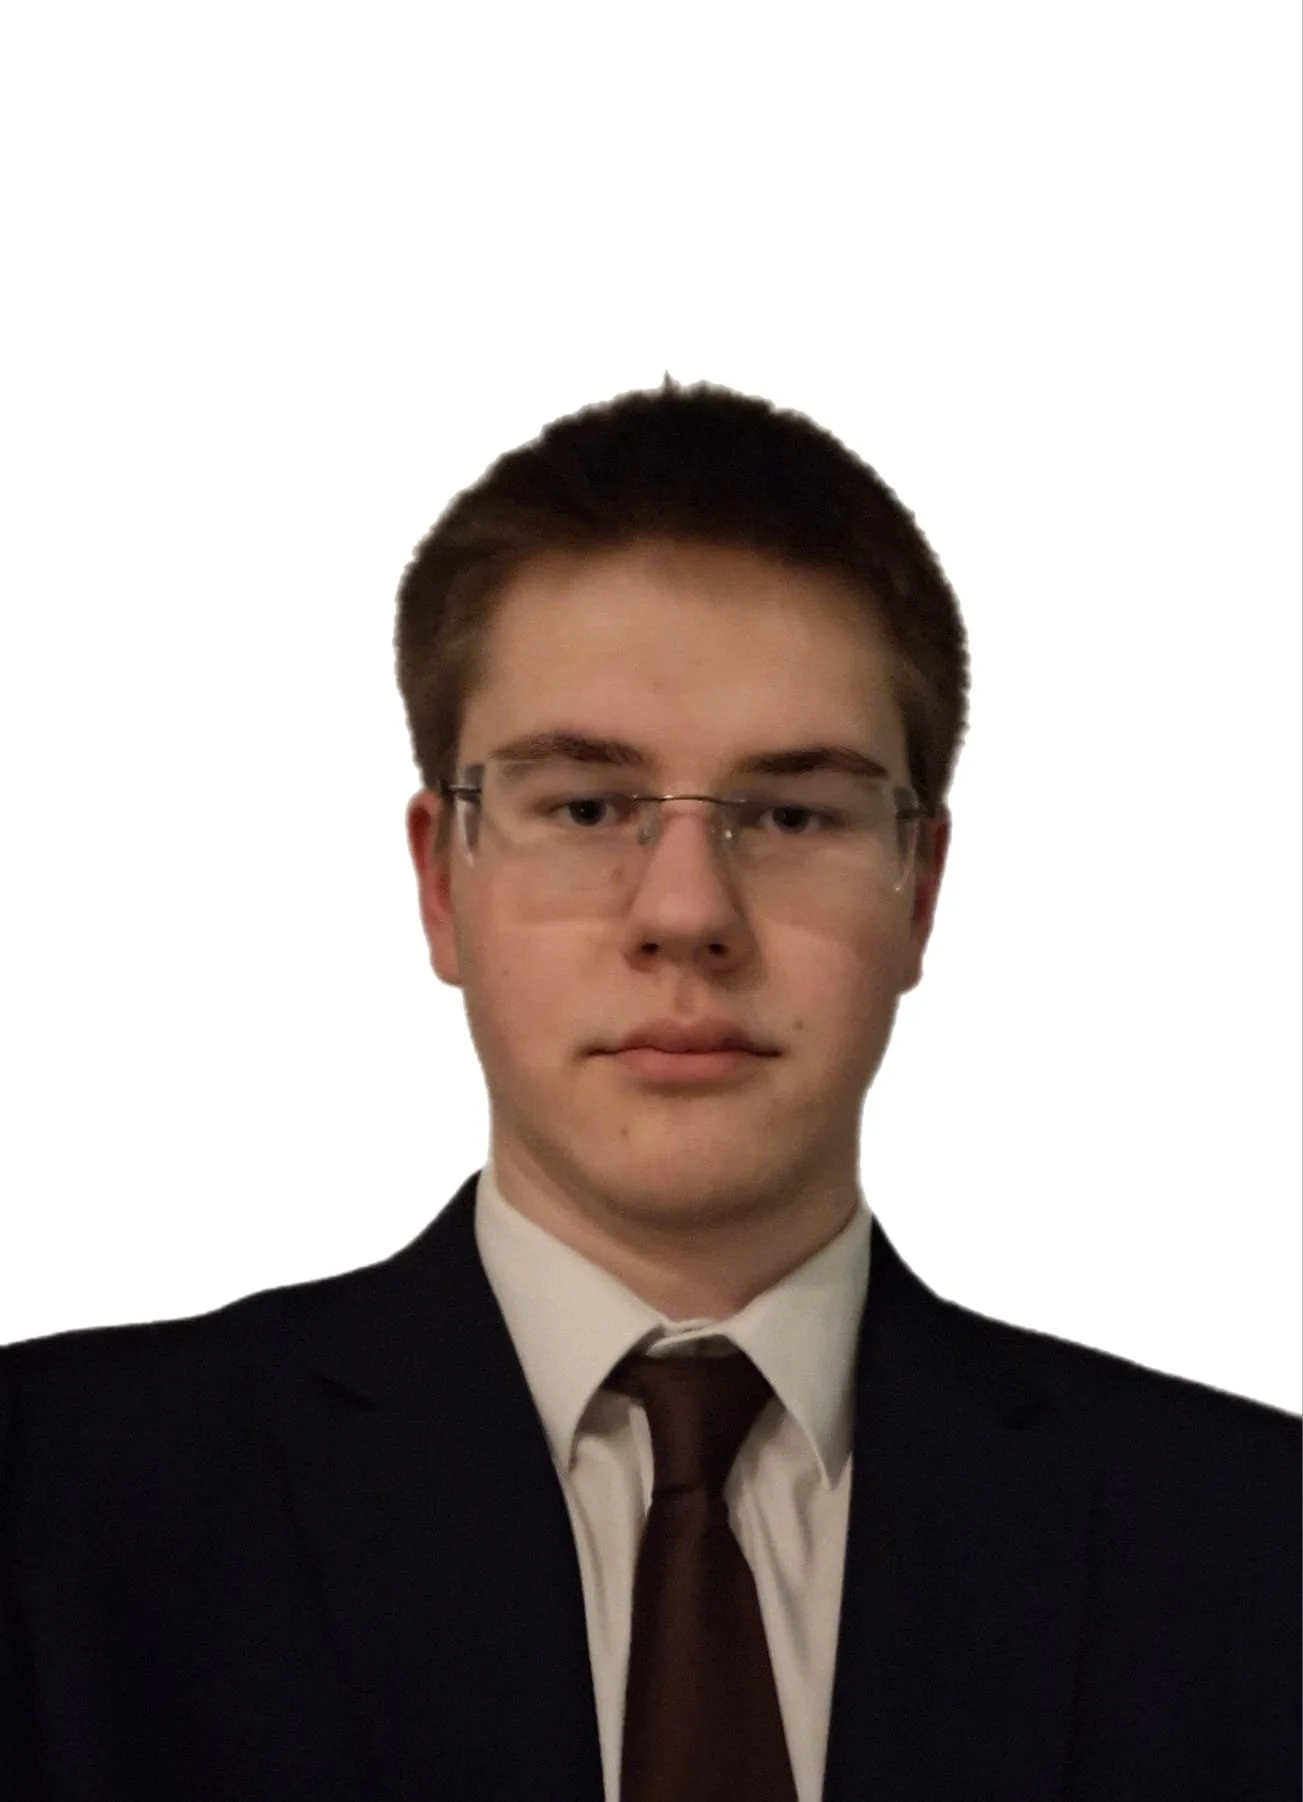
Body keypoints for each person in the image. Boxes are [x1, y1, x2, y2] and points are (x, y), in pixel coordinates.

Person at [0, 380, 1297, 1801]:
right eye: (585, 806)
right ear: (439, 880)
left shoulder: (1253, 1550)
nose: (686, 912)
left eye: (792, 813)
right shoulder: (49, 1502)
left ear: (919, 891)